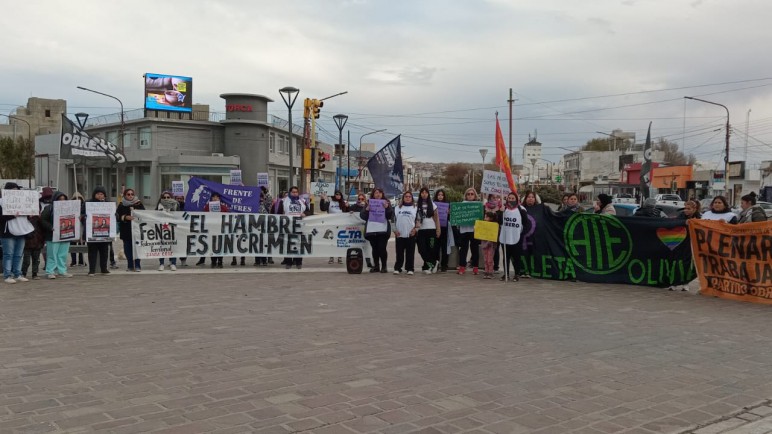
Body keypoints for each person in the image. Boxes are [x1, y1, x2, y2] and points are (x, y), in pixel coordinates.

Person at [1, 182, 35, 284]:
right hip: (8, 233)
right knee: (8, 254)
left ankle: (18, 273)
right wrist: (12, 216)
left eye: (17, 190)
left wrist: (30, 214)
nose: (15, 192)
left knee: (19, 254)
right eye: (13, 190)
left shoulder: (22, 202)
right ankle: (7, 275)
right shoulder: (1, 202)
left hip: (21, 230)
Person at [359, 188, 393, 273]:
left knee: (382, 248)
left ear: (382, 194)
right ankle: (376, 266)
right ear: (373, 194)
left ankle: (384, 266)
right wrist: (367, 210)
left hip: (383, 230)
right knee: (375, 248)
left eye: (380, 193)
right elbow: (362, 216)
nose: (378, 194)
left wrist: (387, 208)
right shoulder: (368, 203)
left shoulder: (386, 203)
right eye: (376, 193)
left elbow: (390, 216)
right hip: (372, 230)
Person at [40, 191, 73, 279]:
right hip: (52, 235)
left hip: (65, 235)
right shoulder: (49, 208)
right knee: (52, 254)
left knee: (63, 254)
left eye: (63, 199)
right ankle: (50, 271)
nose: (62, 201)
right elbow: (42, 220)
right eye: (59, 199)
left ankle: (62, 270)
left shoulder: (69, 209)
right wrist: (51, 228)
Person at [499, 191, 529, 282]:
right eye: (509, 198)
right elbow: (500, 222)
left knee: (516, 257)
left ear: (516, 199)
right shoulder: (504, 209)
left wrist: (522, 233)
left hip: (516, 236)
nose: (511, 200)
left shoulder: (521, 209)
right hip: (505, 236)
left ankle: (517, 274)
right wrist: (501, 212)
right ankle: (506, 274)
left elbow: (526, 223)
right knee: (506, 256)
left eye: (513, 198)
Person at [277, 186, 307, 269]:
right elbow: (278, 212)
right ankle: (289, 262)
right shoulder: (284, 201)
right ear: (290, 192)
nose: (294, 193)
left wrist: (305, 214)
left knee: (298, 244)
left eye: (296, 192)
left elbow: (308, 211)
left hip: (299, 225)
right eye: (293, 192)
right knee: (288, 243)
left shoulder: (302, 201)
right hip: (288, 225)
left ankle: (298, 262)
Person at [116, 188, 145, 272]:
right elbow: (117, 216)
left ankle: (138, 265)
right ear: (125, 195)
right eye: (128, 194)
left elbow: (145, 214)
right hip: (126, 230)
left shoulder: (138, 203)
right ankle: (130, 265)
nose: (130, 196)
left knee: (137, 248)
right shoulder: (121, 205)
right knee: (127, 249)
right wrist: (125, 217)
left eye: (132, 194)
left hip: (137, 230)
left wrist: (137, 213)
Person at [21, 190, 49, 280]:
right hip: (27, 241)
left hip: (38, 240)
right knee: (26, 260)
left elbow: (43, 227)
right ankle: (23, 273)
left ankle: (35, 273)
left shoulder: (40, 218)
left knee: (36, 259)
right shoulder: (24, 218)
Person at [200, 192, 230, 268]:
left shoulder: (223, 207)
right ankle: (213, 261)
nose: (215, 198)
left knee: (220, 245)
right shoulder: (207, 207)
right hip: (211, 229)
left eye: (217, 197)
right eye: (214, 197)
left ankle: (220, 261)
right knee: (212, 245)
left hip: (221, 229)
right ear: (211, 198)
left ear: (219, 199)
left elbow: (228, 217)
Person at [415, 187, 440, 274]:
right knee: (421, 249)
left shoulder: (433, 205)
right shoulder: (417, 205)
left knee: (431, 249)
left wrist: (438, 230)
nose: (424, 194)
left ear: (428, 194)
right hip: (421, 230)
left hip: (431, 230)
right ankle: (433, 263)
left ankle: (427, 267)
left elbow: (437, 219)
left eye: (426, 192)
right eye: (422, 192)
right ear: (420, 194)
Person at [457, 187, 481, 275]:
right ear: (466, 195)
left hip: (474, 230)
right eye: (468, 194)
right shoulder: (462, 204)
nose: (470, 195)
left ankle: (475, 267)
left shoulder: (478, 205)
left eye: (472, 194)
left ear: (475, 195)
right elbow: (457, 216)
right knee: (463, 249)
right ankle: (462, 267)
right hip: (464, 230)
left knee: (474, 249)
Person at [393, 191, 418, 275]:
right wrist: (395, 230)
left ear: (412, 198)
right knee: (399, 252)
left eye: (409, 197)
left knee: (410, 253)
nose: (407, 198)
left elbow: (419, 220)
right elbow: (392, 220)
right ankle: (397, 268)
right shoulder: (397, 208)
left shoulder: (415, 208)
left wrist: (415, 230)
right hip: (399, 234)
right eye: (406, 196)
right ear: (403, 198)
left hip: (410, 234)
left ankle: (410, 268)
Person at [320, 190, 348, 264]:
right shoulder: (330, 202)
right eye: (336, 194)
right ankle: (331, 257)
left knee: (340, 241)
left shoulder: (344, 203)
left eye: (339, 194)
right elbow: (323, 208)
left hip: (341, 225)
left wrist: (348, 207)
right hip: (332, 225)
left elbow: (348, 212)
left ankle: (340, 257)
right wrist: (323, 199)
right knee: (331, 242)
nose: (338, 196)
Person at [156, 191, 179, 271]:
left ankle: (173, 263)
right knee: (162, 246)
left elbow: (179, 217)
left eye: (168, 197)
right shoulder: (159, 206)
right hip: (162, 228)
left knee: (172, 246)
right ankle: (161, 263)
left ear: (171, 198)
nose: (166, 199)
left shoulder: (176, 205)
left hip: (172, 228)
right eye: (164, 197)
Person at [432, 190, 450, 272]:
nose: (440, 196)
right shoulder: (433, 205)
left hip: (444, 228)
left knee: (444, 247)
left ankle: (444, 265)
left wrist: (449, 213)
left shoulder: (447, 205)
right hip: (435, 228)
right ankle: (436, 263)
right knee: (436, 247)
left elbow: (451, 218)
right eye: (439, 195)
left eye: (442, 195)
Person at [480, 211, 498, 280]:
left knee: (489, 259)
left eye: (486, 217)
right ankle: (486, 271)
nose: (485, 218)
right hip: (484, 244)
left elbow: (495, 234)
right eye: (485, 216)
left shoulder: (494, 225)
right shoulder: (482, 224)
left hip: (491, 245)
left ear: (491, 218)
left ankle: (490, 272)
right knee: (485, 259)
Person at [70, 193, 86, 267]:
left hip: (81, 227)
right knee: (72, 244)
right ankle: (73, 261)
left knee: (81, 244)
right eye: (75, 199)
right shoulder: (70, 207)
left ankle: (81, 260)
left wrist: (82, 216)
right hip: (72, 227)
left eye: (79, 198)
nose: (77, 200)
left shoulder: (84, 207)